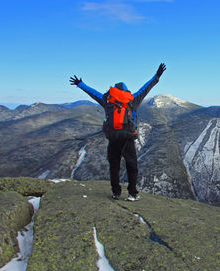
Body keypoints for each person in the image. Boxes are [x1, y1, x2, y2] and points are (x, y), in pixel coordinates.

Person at [69, 63, 166, 201]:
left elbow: (93, 93)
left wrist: (80, 84)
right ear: (126, 91)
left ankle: (116, 193)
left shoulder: (108, 100)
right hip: (128, 138)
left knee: (114, 166)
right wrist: (156, 76)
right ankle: (132, 193)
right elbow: (146, 88)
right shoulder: (132, 100)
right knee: (131, 165)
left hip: (113, 137)